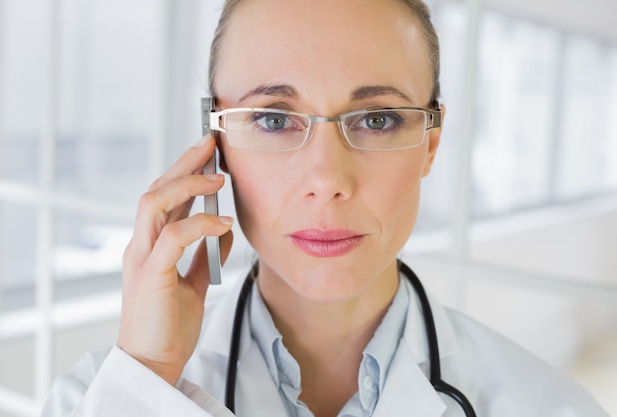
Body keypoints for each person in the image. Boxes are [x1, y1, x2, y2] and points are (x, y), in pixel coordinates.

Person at [41, 0, 608, 416]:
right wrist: (147, 377)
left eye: (378, 119)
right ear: (216, 141)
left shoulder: (554, 408)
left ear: (430, 143)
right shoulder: (105, 397)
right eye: (273, 119)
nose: (327, 181)